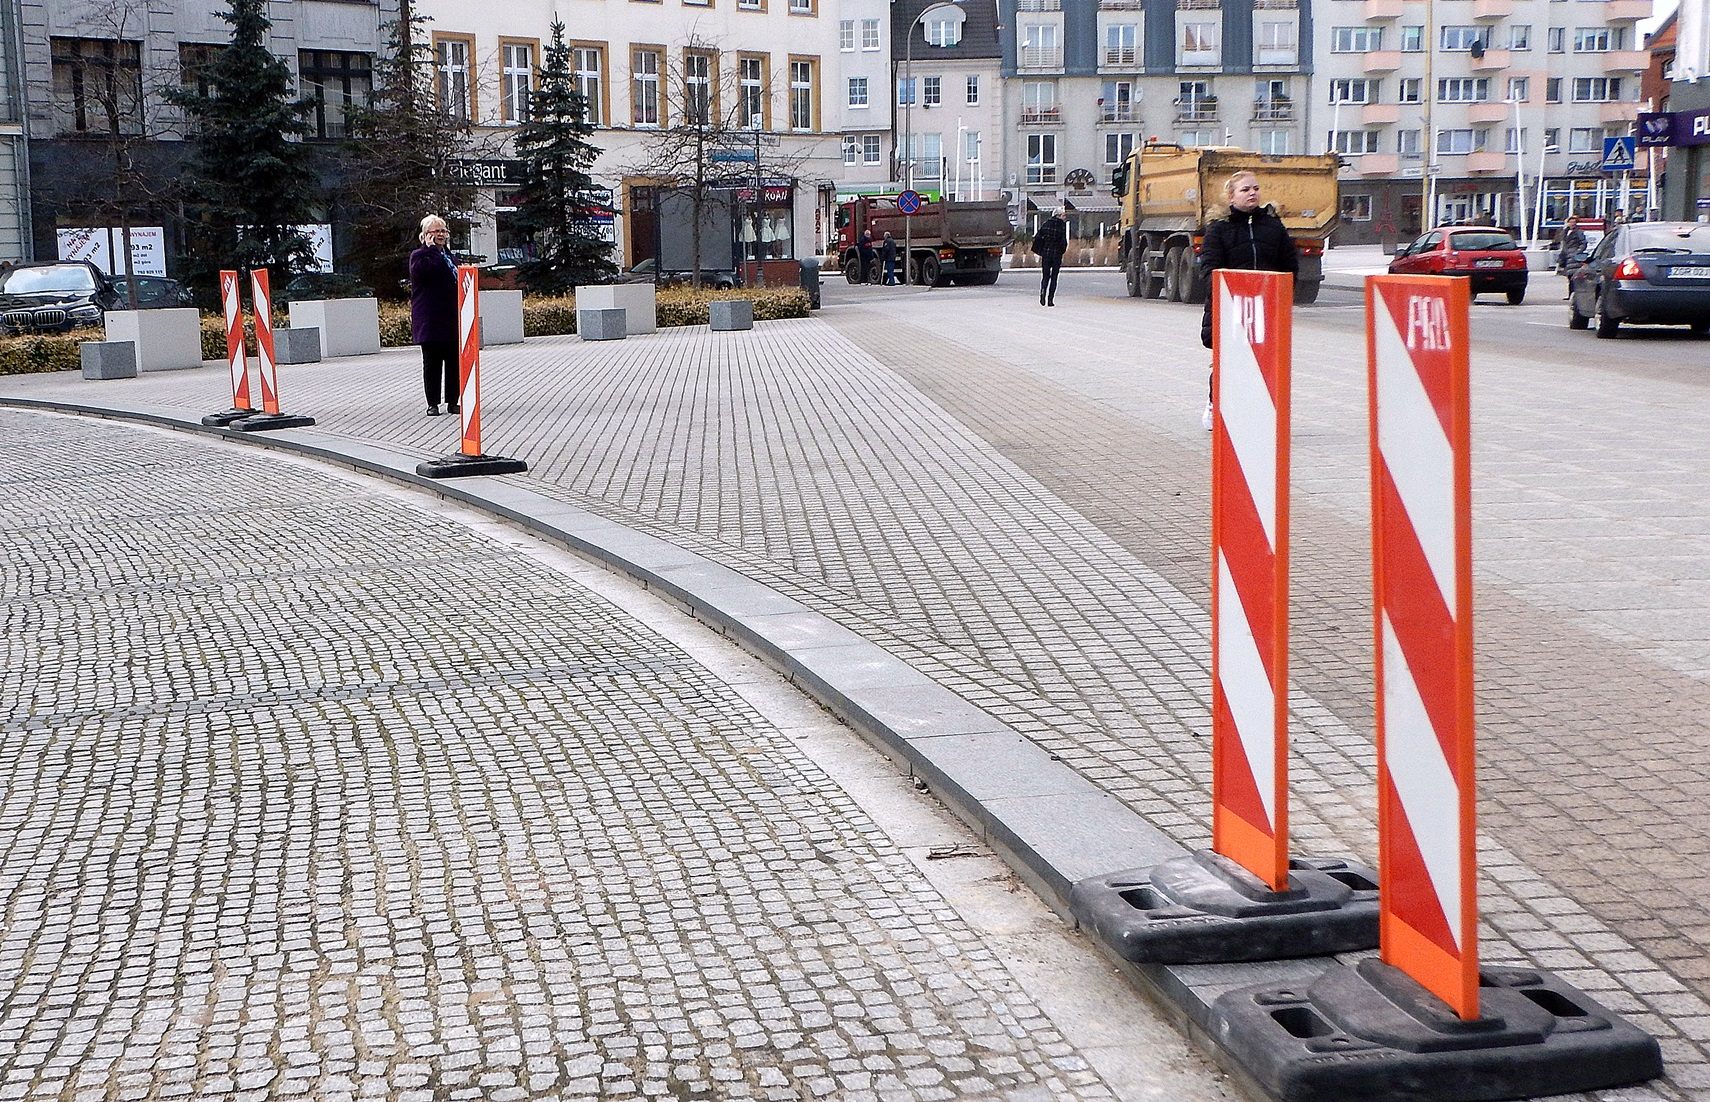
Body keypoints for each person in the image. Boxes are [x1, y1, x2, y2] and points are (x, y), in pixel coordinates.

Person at [1198, 171, 1297, 430]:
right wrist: (1225, 294)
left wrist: (1284, 294)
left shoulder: (1273, 227)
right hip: (1230, 308)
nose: (1252, 193)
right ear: (1231, 196)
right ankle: (1215, 404)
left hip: (1266, 308)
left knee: (1266, 363)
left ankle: (1260, 410)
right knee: (1228, 362)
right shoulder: (1219, 229)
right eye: (1245, 189)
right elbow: (1209, 269)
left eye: (1255, 188)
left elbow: (1289, 265)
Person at [409, 214, 459, 418]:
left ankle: (453, 401)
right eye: (436, 231)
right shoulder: (419, 256)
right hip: (430, 319)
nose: (441, 234)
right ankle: (433, 403)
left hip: (450, 317)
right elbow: (426, 272)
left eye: (443, 231)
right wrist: (430, 250)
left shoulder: (448, 256)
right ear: (425, 235)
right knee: (432, 363)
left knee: (454, 362)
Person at [1032, 207, 1068, 306]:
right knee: (1054, 277)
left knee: (1045, 276)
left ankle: (1042, 293)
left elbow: (1038, 237)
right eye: (1063, 215)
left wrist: (1041, 250)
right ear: (1058, 215)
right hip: (1056, 254)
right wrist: (1062, 250)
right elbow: (1063, 241)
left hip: (1046, 253)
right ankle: (1050, 300)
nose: (1064, 217)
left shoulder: (1046, 224)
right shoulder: (1061, 226)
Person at [1560, 216, 1589, 296]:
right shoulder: (1565, 232)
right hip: (1567, 256)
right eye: (1571, 222)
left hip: (1574, 257)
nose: (1572, 224)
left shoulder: (1578, 232)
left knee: (1574, 275)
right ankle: (1571, 293)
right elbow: (1564, 245)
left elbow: (1583, 243)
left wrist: (1577, 252)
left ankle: (1574, 293)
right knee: (1569, 276)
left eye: (1574, 222)